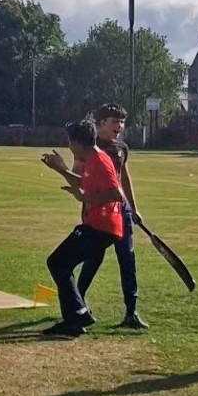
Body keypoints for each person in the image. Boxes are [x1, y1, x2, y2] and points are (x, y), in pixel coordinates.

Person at [40, 120, 125, 337]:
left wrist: (88, 198)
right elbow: (82, 184)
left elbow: (117, 194)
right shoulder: (91, 159)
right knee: (61, 264)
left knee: (57, 262)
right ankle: (75, 317)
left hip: (102, 226)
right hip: (98, 225)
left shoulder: (100, 160)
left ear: (77, 142)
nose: (69, 146)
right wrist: (60, 169)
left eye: (70, 141)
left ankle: (77, 315)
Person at [65, 104, 147, 329]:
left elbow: (124, 179)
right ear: (100, 123)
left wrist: (133, 207)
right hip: (97, 212)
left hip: (121, 211)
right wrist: (66, 176)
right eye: (114, 121)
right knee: (93, 259)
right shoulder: (88, 146)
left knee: (127, 259)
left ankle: (131, 313)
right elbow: (78, 176)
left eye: (122, 122)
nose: (119, 126)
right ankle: (77, 305)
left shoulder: (121, 147)